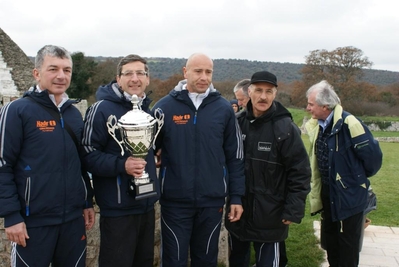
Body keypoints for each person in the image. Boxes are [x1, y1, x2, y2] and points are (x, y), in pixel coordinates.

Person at [0, 45, 95, 266]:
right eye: (53, 69)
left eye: (67, 70)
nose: (61, 76)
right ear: (37, 73)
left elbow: (79, 164)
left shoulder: (73, 113)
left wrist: (87, 201)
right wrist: (12, 216)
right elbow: (3, 166)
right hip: (33, 223)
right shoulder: (17, 111)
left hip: (72, 221)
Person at [152, 53, 245, 267]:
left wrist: (237, 197)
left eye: (208, 72)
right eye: (198, 71)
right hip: (174, 201)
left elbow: (235, 156)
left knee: (206, 261)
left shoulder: (223, 109)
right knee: (173, 261)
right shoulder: (164, 107)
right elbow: (147, 151)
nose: (204, 77)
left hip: (211, 201)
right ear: (185, 72)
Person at [226, 71, 311, 267]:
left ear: (275, 94)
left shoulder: (286, 129)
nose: (263, 96)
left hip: (271, 216)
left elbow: (300, 172)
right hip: (238, 212)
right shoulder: (237, 123)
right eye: (258, 91)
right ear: (250, 92)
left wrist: (293, 209)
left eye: (268, 91)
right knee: (238, 261)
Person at [81, 54, 159, 267]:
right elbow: (88, 156)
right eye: (129, 74)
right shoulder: (101, 109)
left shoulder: (146, 110)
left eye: (140, 73)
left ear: (147, 78)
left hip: (146, 203)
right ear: (118, 78)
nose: (135, 78)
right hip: (117, 209)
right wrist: (122, 165)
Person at [304, 80, 383, 267]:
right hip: (329, 194)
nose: (307, 108)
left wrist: (354, 181)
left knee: (347, 247)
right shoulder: (320, 125)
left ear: (325, 106)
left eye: (310, 104)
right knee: (331, 243)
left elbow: (373, 159)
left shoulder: (349, 123)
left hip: (349, 196)